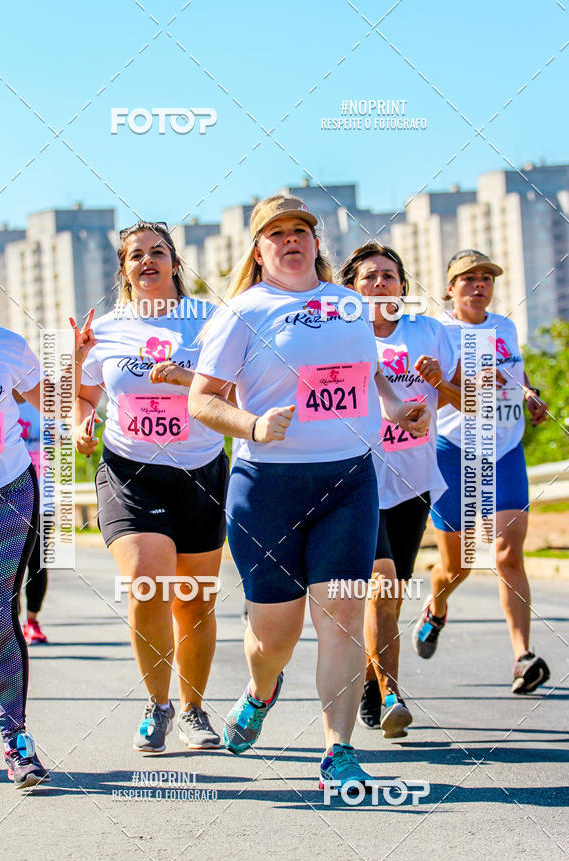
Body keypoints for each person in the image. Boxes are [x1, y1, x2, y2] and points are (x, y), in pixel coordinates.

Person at [189, 195, 429, 793]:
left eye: (301, 230)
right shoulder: (242, 312)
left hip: (348, 479)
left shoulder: (348, 304)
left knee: (344, 614)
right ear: (259, 247)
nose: (290, 240)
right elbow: (201, 399)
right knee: (276, 635)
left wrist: (400, 407)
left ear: (316, 241)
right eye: (277, 233)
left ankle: (337, 750)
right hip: (267, 487)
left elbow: (366, 374)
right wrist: (251, 425)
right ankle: (261, 687)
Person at [75, 221, 228, 752]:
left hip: (200, 470)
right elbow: (86, 395)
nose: (147, 261)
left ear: (175, 264)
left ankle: (193, 709)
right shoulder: (108, 329)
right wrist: (80, 421)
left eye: (157, 252)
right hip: (129, 470)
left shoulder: (210, 323)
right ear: (123, 269)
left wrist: (188, 381)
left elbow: (233, 387)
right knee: (147, 584)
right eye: (135, 255)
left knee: (195, 600)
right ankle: (157, 705)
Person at [0, 241, 94, 787]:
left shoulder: (5, 344)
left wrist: (79, 368)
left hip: (3, 492)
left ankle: (15, 735)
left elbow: (56, 403)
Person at [413, 249, 550, 694]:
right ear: (450, 287)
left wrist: (530, 396)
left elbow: (517, 375)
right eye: (468, 278)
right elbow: (437, 390)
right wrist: (472, 384)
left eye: (486, 278)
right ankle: (436, 608)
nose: (479, 285)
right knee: (458, 565)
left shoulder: (505, 326)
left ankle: (522, 656)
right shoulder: (438, 333)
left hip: (505, 451)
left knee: (509, 553)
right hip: (454, 451)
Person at [339, 243, 461, 738]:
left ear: (403, 288)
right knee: (383, 584)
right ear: (352, 288)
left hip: (413, 482)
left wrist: (442, 383)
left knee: (389, 597)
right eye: (368, 277)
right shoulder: (339, 338)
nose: (380, 284)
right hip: (358, 480)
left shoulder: (428, 332)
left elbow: (469, 401)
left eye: (389, 276)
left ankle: (372, 680)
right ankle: (392, 695)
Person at [16, 398, 49, 644]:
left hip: (42, 495)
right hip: (3, 495)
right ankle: (6, 621)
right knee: (5, 564)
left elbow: (64, 443)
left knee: (38, 561)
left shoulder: (42, 401)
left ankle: (32, 621)